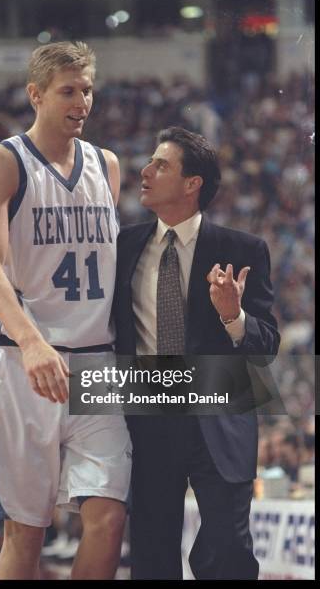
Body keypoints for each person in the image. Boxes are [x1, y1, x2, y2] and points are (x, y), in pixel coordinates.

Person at [0, 41, 132, 580]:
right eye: (68, 90)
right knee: (27, 534)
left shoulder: (106, 166)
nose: (82, 101)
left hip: (97, 364)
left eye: (87, 90)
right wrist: (31, 340)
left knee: (109, 518)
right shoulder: (2, 162)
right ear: (35, 94)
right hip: (26, 366)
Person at [113, 126, 280, 580]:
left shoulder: (242, 249)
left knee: (227, 551)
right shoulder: (122, 246)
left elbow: (266, 346)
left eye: (160, 165)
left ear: (192, 184)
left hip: (220, 419)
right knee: (150, 555)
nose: (145, 171)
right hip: (147, 418)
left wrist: (234, 317)